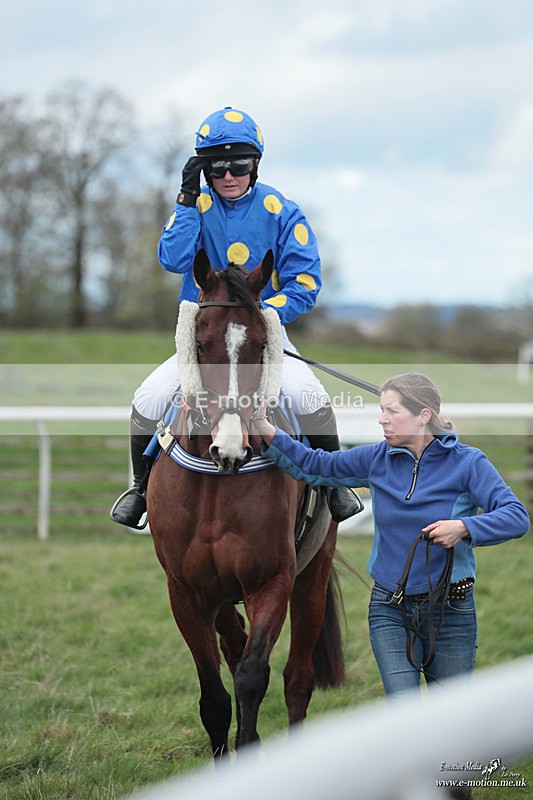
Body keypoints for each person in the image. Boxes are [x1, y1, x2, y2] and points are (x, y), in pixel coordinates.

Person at [111, 106, 361, 528]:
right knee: (148, 398)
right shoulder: (196, 206)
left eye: (239, 166)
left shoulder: (282, 210)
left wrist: (259, 318)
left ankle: (335, 487)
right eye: (217, 167)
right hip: (203, 342)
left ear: (255, 165)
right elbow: (172, 260)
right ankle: (140, 491)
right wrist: (187, 201)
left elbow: (305, 283)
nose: (229, 176)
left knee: (309, 396)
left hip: (262, 336)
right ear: (204, 170)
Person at [252, 372, 529, 700]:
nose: (382, 420)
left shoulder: (468, 463)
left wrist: (465, 528)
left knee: (451, 718)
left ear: (423, 415)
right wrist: (265, 429)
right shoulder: (375, 459)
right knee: (403, 712)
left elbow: (516, 516)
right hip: (390, 608)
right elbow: (314, 465)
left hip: (451, 612)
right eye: (381, 410)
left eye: (392, 411)